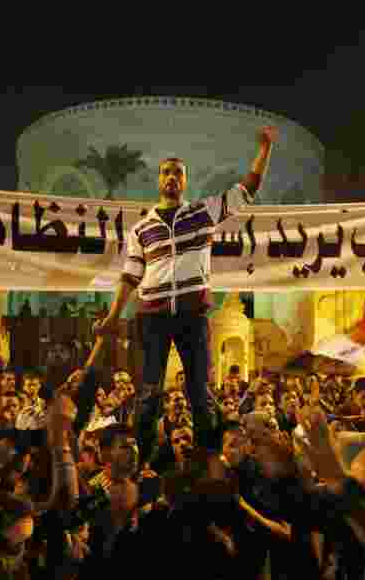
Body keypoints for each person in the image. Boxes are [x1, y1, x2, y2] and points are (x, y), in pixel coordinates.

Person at [93, 126, 277, 458]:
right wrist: (112, 316)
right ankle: (142, 459)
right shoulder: (142, 228)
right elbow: (131, 275)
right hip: (152, 317)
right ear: (159, 180)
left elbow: (246, 190)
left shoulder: (202, 213)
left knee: (200, 392)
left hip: (192, 316)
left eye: (178, 173)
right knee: (149, 392)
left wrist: (265, 149)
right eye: (166, 172)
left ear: (185, 182)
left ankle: (207, 459)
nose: (172, 177)